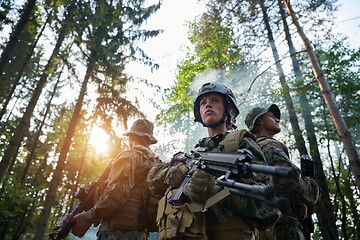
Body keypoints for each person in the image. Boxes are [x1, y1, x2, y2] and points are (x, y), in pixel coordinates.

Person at [147, 82, 281, 240]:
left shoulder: (242, 144)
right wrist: (169, 174)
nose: (208, 104)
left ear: (228, 109)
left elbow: (268, 208)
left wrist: (219, 194)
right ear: (199, 112)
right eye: (203, 103)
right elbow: (151, 180)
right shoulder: (194, 153)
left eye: (215, 100)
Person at [71, 118, 161, 240]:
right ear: (149, 141)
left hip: (117, 233)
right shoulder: (156, 164)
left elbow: (117, 193)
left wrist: (91, 215)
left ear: (131, 138)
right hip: (140, 233)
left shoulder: (129, 156)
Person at [245, 104, 321, 240]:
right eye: (271, 116)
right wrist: (311, 186)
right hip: (283, 228)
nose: (278, 120)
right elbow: (290, 185)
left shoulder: (250, 149)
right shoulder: (269, 145)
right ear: (258, 122)